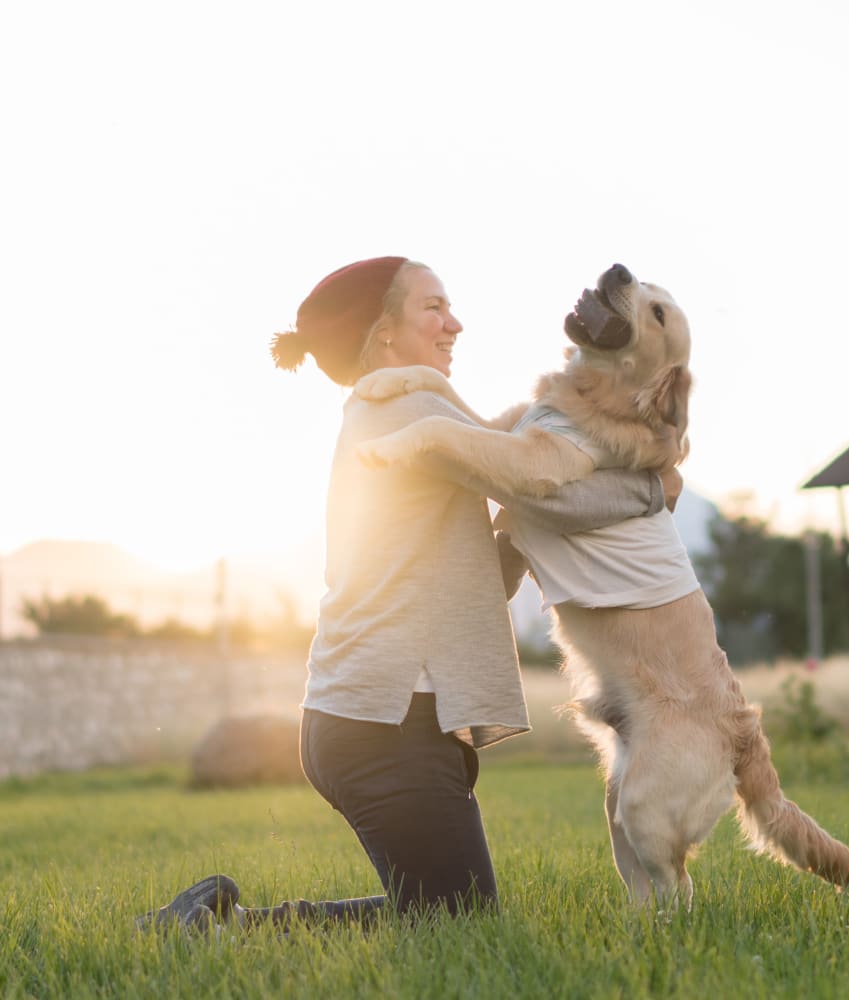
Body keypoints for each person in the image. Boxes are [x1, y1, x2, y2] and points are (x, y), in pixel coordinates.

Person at [137, 256, 676, 933]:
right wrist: (654, 490)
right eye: (433, 308)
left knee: (444, 912)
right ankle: (216, 930)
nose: (454, 324)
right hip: (383, 725)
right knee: (460, 923)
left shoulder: (390, 413)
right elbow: (548, 485)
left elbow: (470, 566)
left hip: (379, 720)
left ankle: (221, 924)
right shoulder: (407, 408)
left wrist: (519, 538)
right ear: (385, 333)